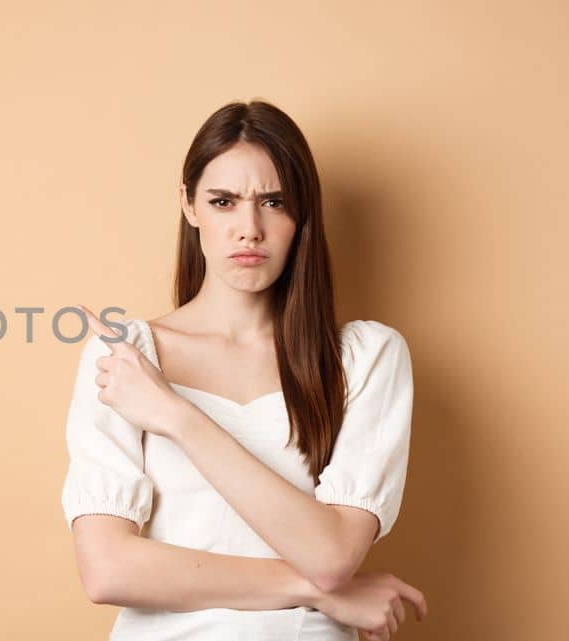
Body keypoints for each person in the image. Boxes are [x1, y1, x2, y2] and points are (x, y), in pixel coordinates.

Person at [60, 100, 428, 641]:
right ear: (189, 206)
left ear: (302, 214)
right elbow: (108, 569)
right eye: (223, 201)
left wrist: (176, 415)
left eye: (274, 202)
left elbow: (329, 555)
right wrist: (320, 591)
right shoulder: (126, 357)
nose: (248, 229)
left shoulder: (365, 358)